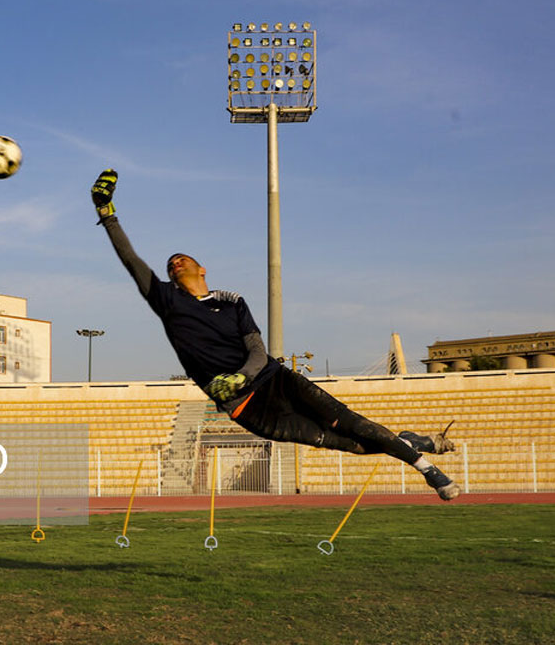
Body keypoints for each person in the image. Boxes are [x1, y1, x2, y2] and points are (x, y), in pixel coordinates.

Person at [91, 169, 461, 500]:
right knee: (352, 444)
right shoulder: (166, 300)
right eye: (171, 263)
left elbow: (257, 349)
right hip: (249, 409)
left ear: (203, 269)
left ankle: (427, 469)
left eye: (182, 258)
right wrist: (107, 214)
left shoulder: (232, 301)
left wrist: (242, 375)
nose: (175, 262)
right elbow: (131, 259)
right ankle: (410, 442)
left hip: (275, 380)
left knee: (354, 424)